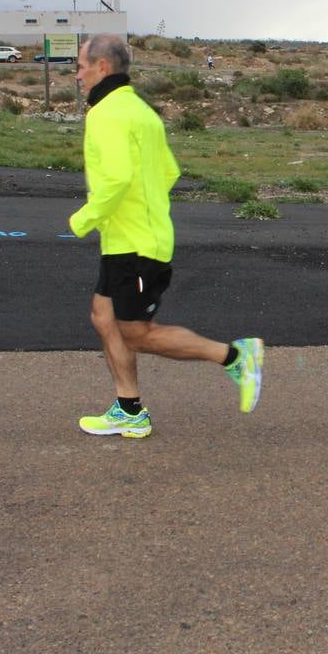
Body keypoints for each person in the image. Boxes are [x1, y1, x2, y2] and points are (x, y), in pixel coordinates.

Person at [69, 33, 263, 439]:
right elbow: (169, 172)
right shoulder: (142, 111)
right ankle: (129, 409)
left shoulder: (106, 113)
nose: (77, 75)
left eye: (81, 66)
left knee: (136, 334)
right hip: (133, 239)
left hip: (135, 247)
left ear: (102, 67)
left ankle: (234, 356)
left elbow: (119, 177)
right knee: (103, 317)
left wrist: (84, 218)